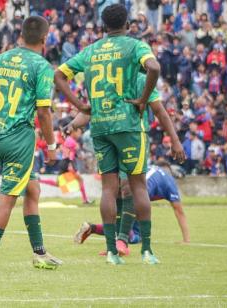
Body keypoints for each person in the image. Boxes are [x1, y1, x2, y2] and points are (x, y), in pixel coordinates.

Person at [55, 4, 185, 265]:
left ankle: (113, 252)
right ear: (128, 25)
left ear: (103, 26)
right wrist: (142, 99)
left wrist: (79, 106)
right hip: (129, 127)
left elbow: (58, 75)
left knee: (108, 189)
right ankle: (146, 250)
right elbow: (155, 68)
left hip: (101, 128)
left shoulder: (91, 51)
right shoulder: (135, 51)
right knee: (138, 186)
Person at [0, 16, 62, 273]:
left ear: (20, 34)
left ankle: (39, 253)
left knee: (33, 190)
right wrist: (52, 145)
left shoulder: (2, 59)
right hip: (19, 139)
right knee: (8, 199)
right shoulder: (42, 66)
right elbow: (44, 112)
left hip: (1, 135)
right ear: (45, 39)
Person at [74, 161, 190, 247]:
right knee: (134, 237)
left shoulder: (150, 167)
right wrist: (186, 240)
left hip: (124, 186)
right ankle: (120, 237)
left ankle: (92, 228)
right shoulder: (170, 182)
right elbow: (179, 211)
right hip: (135, 194)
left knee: (125, 226)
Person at [38, 127, 93, 204]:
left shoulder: (69, 140)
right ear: (73, 132)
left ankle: (39, 180)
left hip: (65, 163)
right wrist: (71, 164)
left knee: (58, 184)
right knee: (80, 180)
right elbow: (69, 154)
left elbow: (70, 152)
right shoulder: (71, 141)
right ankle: (85, 200)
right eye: (79, 133)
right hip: (68, 163)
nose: (80, 135)